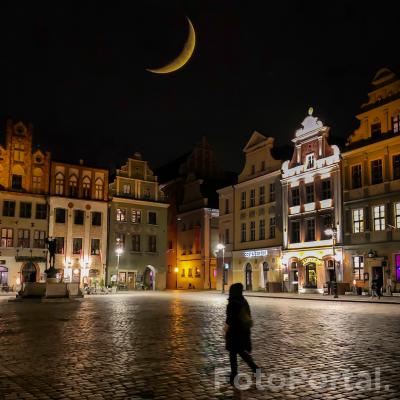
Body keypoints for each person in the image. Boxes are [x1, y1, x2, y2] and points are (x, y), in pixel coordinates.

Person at [225, 283, 259, 386]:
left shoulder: (233, 302)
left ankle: (234, 376)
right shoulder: (243, 301)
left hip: (234, 332)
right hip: (243, 331)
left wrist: (227, 328)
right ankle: (255, 369)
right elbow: (248, 315)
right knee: (240, 352)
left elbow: (230, 319)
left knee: (233, 353)